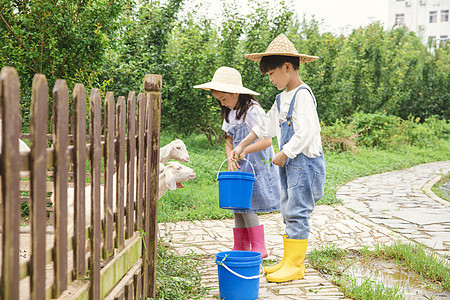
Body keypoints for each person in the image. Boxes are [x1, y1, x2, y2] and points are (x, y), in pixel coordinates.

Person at [230, 34, 326, 283]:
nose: (271, 79)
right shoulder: (281, 98)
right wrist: (241, 145)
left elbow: (306, 132)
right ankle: (287, 260)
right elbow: (265, 126)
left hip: (304, 165)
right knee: (288, 210)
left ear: (287, 67)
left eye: (272, 73)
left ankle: (295, 266)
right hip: (291, 166)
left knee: (297, 211)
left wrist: (285, 152)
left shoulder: (302, 95)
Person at [194, 66, 281, 258]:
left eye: (224, 99)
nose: (223, 104)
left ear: (235, 93)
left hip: (256, 163)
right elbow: (229, 139)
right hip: (240, 163)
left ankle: (259, 246)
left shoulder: (253, 110)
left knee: (248, 203)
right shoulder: (230, 112)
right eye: (219, 101)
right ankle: (240, 244)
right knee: (237, 203)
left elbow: (266, 140)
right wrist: (230, 157)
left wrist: (244, 150)